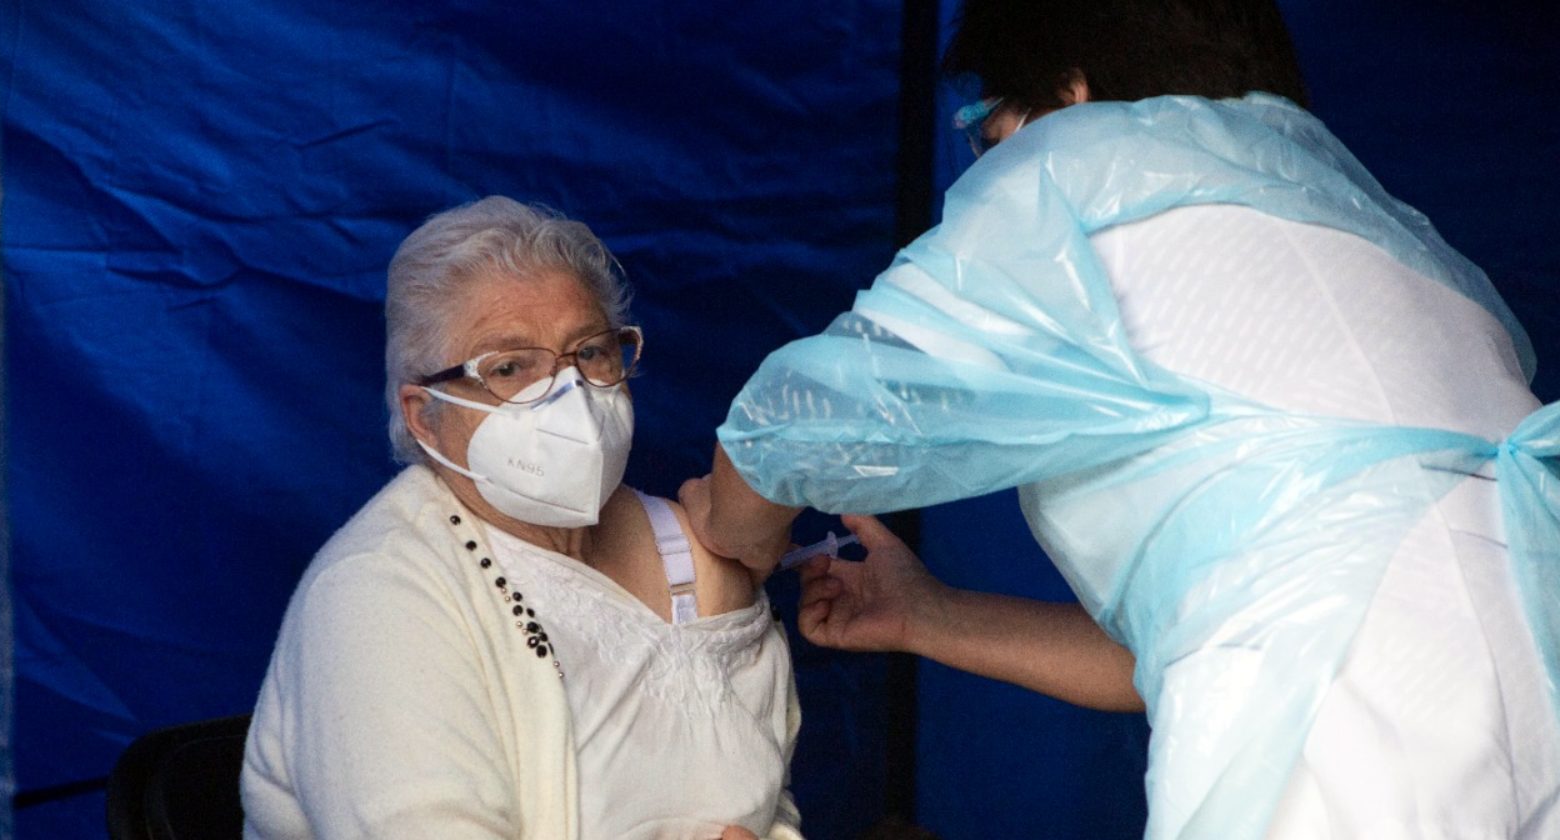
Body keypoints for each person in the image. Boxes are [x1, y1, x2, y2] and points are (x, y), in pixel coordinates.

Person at [679, 1, 1560, 838]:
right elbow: (1215, 627)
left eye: (988, 130)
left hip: (1351, 739)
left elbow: (800, 423)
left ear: (1070, 99)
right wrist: (927, 614)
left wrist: (727, 526)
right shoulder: (1385, 241)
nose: (986, 168)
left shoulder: (1081, 173)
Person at [241, 197, 801, 840]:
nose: (568, 394)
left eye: (591, 352)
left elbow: (767, 802)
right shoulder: (377, 591)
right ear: (425, 416)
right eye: (509, 367)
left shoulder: (694, 554)